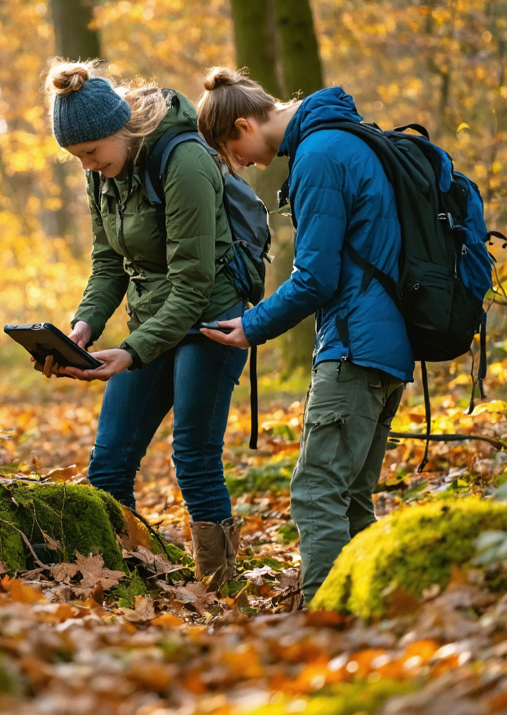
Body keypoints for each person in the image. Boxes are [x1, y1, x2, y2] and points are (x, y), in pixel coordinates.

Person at [195, 67, 412, 607]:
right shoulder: (350, 137)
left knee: (316, 495)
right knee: (353, 501)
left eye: (230, 149)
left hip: (354, 349)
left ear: (245, 123)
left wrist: (253, 325)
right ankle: (370, 615)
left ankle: (325, 624)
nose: (236, 163)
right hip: (388, 349)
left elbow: (317, 276)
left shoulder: (318, 156)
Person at [38, 60, 249, 589]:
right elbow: (108, 261)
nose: (86, 165)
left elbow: (193, 284)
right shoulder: (103, 174)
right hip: (151, 319)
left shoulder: (186, 162)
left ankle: (222, 595)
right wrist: (83, 326)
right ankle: (125, 585)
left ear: (122, 130)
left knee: (194, 458)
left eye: (91, 152)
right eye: (76, 158)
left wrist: (131, 351)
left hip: (210, 322)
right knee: (109, 463)